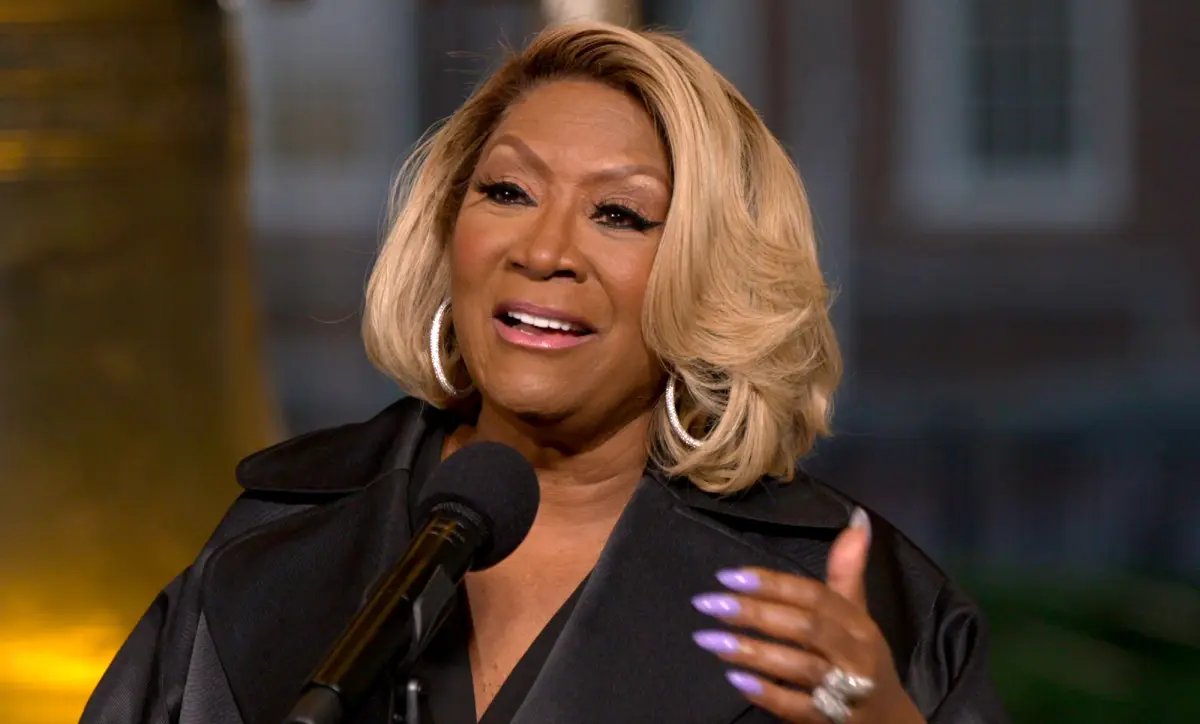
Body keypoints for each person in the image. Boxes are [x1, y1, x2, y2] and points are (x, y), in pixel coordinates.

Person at [83, 21, 1007, 724]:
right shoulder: (271, 547)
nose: (545, 250)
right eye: (508, 192)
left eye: (620, 215)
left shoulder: (855, 606)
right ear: (449, 228)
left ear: (711, 278)